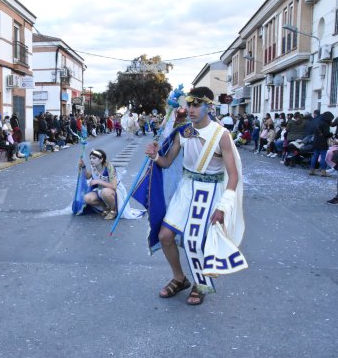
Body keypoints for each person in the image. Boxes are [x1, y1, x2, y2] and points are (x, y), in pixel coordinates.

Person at [144, 87, 244, 306]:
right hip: (186, 189)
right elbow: (167, 162)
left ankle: (201, 283)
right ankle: (179, 278)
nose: (191, 109)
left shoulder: (222, 135)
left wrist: (223, 207)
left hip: (210, 192)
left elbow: (233, 175)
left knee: (194, 241)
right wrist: (154, 156)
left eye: (196, 104)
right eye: (189, 104)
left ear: (209, 106)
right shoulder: (184, 132)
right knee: (165, 236)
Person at [77, 149, 144, 220]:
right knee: (87, 198)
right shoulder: (93, 166)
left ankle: (113, 210)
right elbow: (87, 176)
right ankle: (106, 207)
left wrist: (99, 182)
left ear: (101, 159)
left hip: (114, 190)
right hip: (100, 189)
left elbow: (114, 186)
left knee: (105, 192)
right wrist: (83, 167)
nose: (91, 160)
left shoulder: (110, 168)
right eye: (90, 158)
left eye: (94, 158)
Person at [309, 111, 334, 176]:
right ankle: (323, 172)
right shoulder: (326, 124)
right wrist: (331, 134)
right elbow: (326, 134)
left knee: (315, 156)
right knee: (323, 157)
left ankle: (312, 170)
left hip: (316, 140)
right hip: (322, 142)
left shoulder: (318, 121)